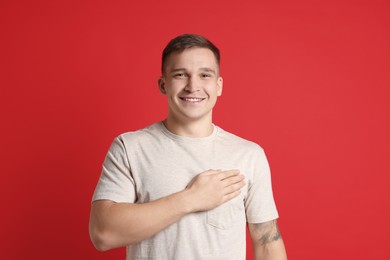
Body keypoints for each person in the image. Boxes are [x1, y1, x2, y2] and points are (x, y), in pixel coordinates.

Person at [89, 34, 287, 260]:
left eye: (205, 75)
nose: (193, 86)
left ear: (218, 85)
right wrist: (191, 199)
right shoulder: (130, 148)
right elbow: (102, 233)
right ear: (163, 84)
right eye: (181, 75)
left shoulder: (249, 155)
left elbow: (267, 243)